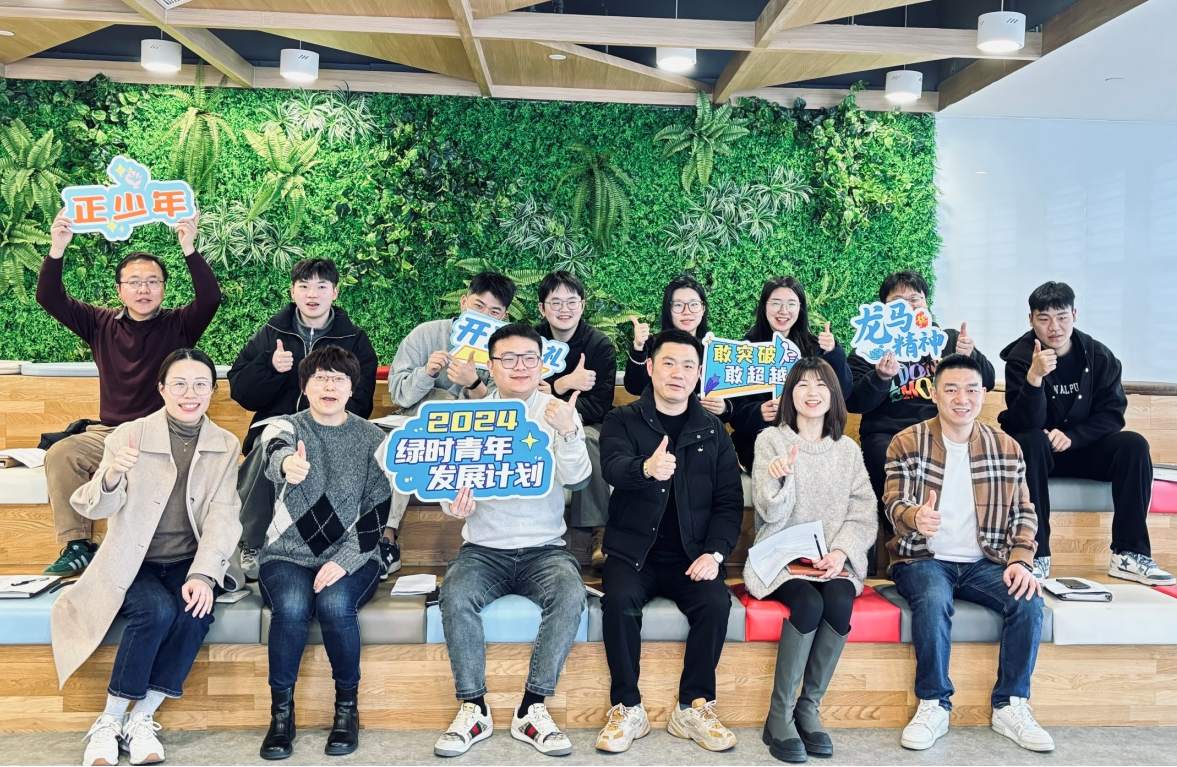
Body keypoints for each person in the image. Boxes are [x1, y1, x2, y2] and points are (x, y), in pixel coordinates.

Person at [51, 349, 242, 767]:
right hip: (131, 560)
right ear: (161, 389)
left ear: (212, 390)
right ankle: (110, 719)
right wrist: (112, 474)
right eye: (179, 384)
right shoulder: (129, 436)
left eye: (200, 384)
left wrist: (205, 575)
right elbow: (94, 506)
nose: (190, 393)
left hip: (188, 560)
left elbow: (224, 514)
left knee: (195, 611)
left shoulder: (226, 444)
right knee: (155, 611)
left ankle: (141, 717)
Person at [433, 324, 590, 758]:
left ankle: (532, 707)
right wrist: (455, 507)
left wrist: (569, 432)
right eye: (508, 358)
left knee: (570, 593)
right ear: (491, 365)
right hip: (483, 550)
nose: (519, 366)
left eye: (528, 358)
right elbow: (448, 488)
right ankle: (474, 706)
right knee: (455, 594)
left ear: (541, 364)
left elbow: (578, 478)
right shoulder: (469, 417)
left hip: (546, 549)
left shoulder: (557, 412)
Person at [885, 354, 1052, 753]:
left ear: (983, 394)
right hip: (922, 557)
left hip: (985, 561)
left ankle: (1011, 704)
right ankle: (933, 704)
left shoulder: (1006, 447)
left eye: (971, 390)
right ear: (934, 394)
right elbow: (892, 501)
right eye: (952, 389)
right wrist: (914, 516)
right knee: (932, 598)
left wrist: (1020, 560)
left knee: (1029, 600)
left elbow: (1025, 513)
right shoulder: (907, 441)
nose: (962, 398)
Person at [37, 211, 220, 575]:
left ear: (164, 288)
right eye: (134, 282)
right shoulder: (99, 323)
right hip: (112, 433)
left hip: (167, 431)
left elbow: (211, 298)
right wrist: (57, 249)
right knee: (62, 454)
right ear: (119, 290)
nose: (143, 289)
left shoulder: (180, 324)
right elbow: (50, 298)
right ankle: (77, 545)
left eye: (152, 281)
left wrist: (189, 247)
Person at [595, 329, 743, 755]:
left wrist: (714, 553)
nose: (678, 373)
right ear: (650, 367)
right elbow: (612, 467)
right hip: (633, 553)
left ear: (698, 375)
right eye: (669, 363)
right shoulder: (622, 419)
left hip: (692, 556)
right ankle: (627, 707)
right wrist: (646, 469)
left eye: (688, 366)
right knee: (619, 601)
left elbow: (729, 502)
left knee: (715, 603)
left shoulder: (714, 430)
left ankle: (693, 708)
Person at [255, 346, 392, 760]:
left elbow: (377, 512)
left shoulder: (374, 439)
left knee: (334, 605)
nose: (329, 386)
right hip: (287, 554)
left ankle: (346, 711)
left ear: (352, 388)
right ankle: (281, 716)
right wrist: (287, 466)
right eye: (320, 378)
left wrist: (343, 561)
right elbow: (273, 451)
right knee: (292, 607)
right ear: (305, 386)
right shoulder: (286, 426)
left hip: (354, 555)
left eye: (339, 378)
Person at [998, 281, 1173, 585]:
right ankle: (1035, 554)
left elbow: (1112, 414)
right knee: (1030, 440)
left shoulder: (1099, 356)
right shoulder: (1021, 358)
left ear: (1075, 315)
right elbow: (1021, 422)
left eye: (1062, 317)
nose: (1054, 327)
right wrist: (1034, 378)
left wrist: (1074, 437)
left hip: (1085, 451)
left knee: (1133, 445)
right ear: (1031, 320)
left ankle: (1129, 555)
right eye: (1044, 319)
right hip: (1039, 456)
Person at [746, 357, 877, 763]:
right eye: (802, 384)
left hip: (830, 559)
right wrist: (780, 478)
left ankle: (808, 708)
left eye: (821, 384)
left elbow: (863, 510)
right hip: (780, 556)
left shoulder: (848, 450)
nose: (812, 392)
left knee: (838, 600)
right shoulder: (770, 440)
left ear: (833, 395)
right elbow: (768, 512)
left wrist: (842, 552)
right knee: (808, 603)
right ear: (791, 394)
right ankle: (779, 715)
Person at [228, 258, 377, 581]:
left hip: (333, 429)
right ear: (292, 291)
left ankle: (354, 547)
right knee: (269, 444)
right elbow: (241, 392)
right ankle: (252, 541)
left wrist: (323, 412)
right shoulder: (271, 333)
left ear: (335, 293)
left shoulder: (354, 339)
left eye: (322, 286)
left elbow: (362, 402)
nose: (313, 294)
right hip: (276, 424)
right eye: (304, 286)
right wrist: (269, 366)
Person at [846, 271, 994, 567]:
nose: (909, 307)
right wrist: (880, 377)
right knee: (881, 453)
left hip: (942, 431)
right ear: (884, 309)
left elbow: (985, 380)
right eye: (898, 302)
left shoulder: (947, 341)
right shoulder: (869, 346)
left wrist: (970, 355)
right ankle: (901, 541)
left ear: (926, 303)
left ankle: (966, 545)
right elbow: (855, 402)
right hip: (887, 433)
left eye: (915, 299)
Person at [379, 272, 516, 579]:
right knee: (398, 445)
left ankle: (493, 550)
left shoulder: (505, 350)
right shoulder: (426, 334)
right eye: (478, 306)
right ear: (463, 302)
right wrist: (427, 373)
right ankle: (386, 540)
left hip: (473, 434)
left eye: (494, 312)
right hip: (417, 425)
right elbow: (398, 393)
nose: (484, 316)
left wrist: (475, 385)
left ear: (504, 316)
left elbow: (505, 409)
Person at [535, 270, 617, 570]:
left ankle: (599, 533)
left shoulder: (600, 346)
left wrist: (559, 406)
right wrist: (564, 384)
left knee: (590, 440)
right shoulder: (530, 341)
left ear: (582, 305)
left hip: (586, 420)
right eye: (555, 302)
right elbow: (521, 389)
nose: (564, 309)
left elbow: (599, 406)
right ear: (542, 308)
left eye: (571, 301)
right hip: (535, 420)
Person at [729, 276, 852, 471]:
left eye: (791, 304)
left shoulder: (816, 348)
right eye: (775, 303)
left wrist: (834, 352)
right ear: (763, 307)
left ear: (800, 308)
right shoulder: (745, 351)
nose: (783, 311)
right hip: (761, 443)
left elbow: (842, 394)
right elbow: (734, 411)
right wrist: (758, 412)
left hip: (811, 440)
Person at [624, 275, 728, 418]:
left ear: (703, 308)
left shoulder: (717, 351)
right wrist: (638, 347)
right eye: (678, 305)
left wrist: (725, 408)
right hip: (656, 423)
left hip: (704, 427)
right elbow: (635, 387)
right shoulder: (654, 345)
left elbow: (732, 404)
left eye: (694, 304)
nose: (687, 311)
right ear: (669, 309)